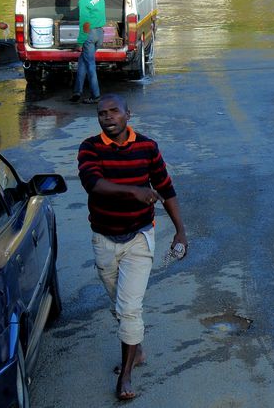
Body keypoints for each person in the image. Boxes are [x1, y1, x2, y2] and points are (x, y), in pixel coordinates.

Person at [77, 94, 188, 402]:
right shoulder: (90, 148)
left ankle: (126, 374)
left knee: (129, 308)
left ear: (128, 113)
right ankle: (135, 347)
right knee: (119, 305)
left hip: (139, 237)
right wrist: (135, 192)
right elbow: (94, 184)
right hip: (104, 239)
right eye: (102, 113)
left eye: (114, 111)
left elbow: (166, 189)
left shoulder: (147, 147)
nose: (108, 117)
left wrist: (180, 232)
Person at [70, 0, 111, 104]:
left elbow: (85, 24)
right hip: (100, 34)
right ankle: (77, 91)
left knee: (90, 65)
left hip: (89, 35)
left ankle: (96, 96)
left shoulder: (83, 1)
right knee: (83, 61)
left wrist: (80, 42)